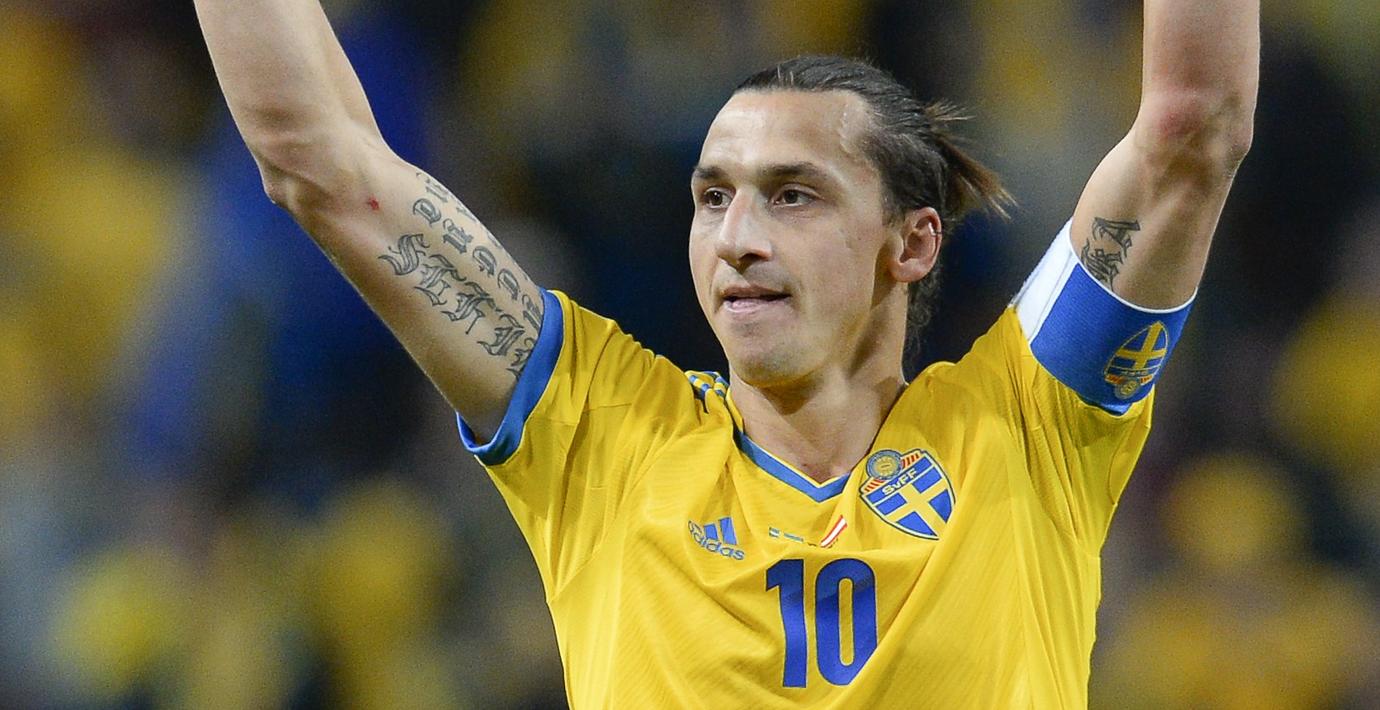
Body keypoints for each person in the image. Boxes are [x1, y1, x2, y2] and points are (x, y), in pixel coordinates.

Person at [195, 0, 1258, 706]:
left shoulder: (1025, 426)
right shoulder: (601, 435)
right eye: (713, 197)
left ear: (912, 242)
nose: (737, 236)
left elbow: (1193, 127)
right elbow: (317, 161)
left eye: (793, 195)